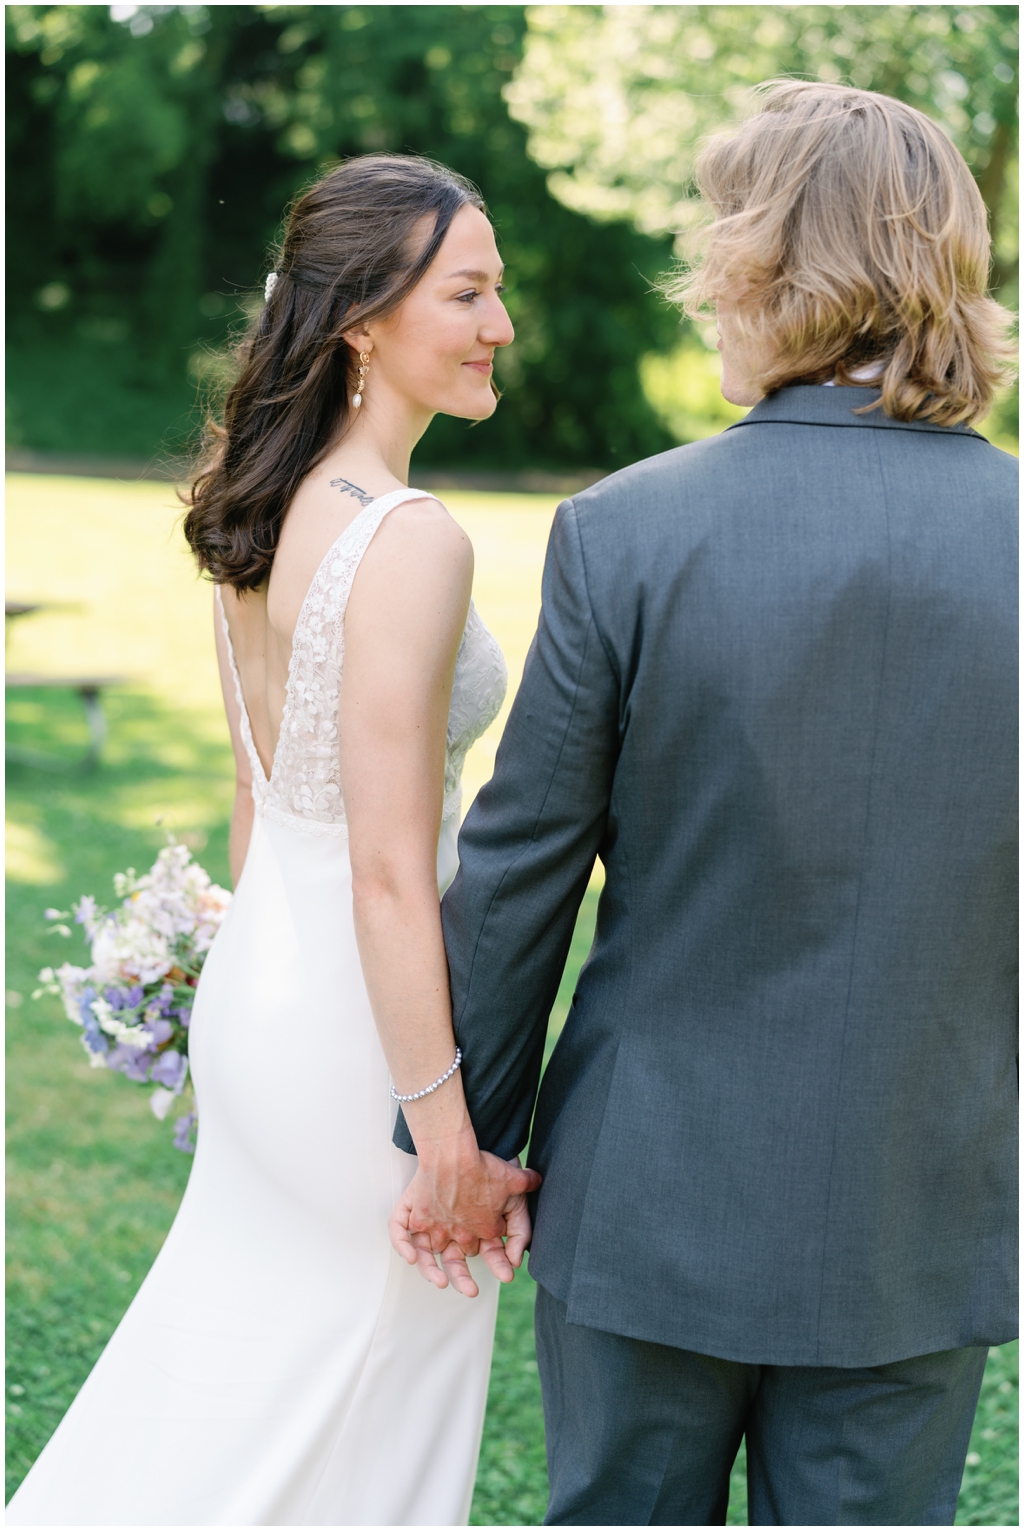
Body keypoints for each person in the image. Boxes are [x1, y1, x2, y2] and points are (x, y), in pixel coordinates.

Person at [393, 83, 1018, 1526]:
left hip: (650, 1207)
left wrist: (464, 1140)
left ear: (769, 266)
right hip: (920, 1214)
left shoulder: (629, 531)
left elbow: (521, 872)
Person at [7, 154, 540, 1527]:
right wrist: (445, 1136)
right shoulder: (407, 537)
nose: (501, 326)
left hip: (264, 1001)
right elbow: (382, 867)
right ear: (364, 318)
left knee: (238, 1373)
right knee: (366, 1406)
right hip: (365, 1036)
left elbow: (263, 807)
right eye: (469, 292)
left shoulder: (260, 505)